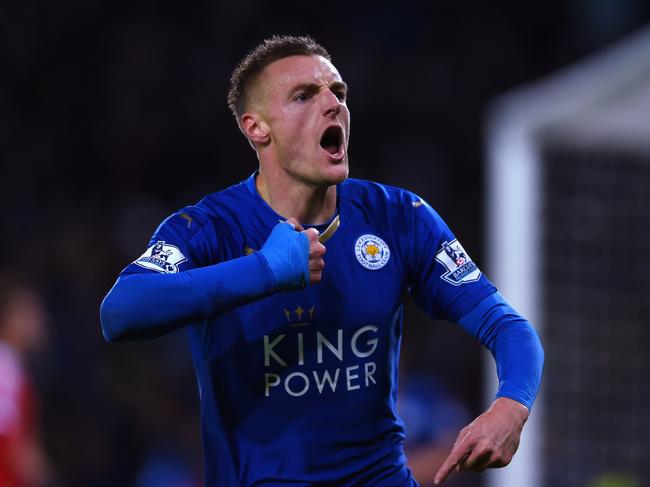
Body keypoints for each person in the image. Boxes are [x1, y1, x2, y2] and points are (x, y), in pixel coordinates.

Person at [100, 35, 544, 486]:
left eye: (338, 92)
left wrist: (512, 405)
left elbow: (507, 325)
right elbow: (121, 311)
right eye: (304, 95)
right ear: (257, 128)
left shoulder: (398, 218)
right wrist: (266, 271)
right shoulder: (210, 227)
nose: (332, 104)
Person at [0, 275, 53, 486]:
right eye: (30, 311)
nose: (40, 319)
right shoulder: (4, 370)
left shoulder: (13, 368)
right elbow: (15, 448)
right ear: (9, 318)